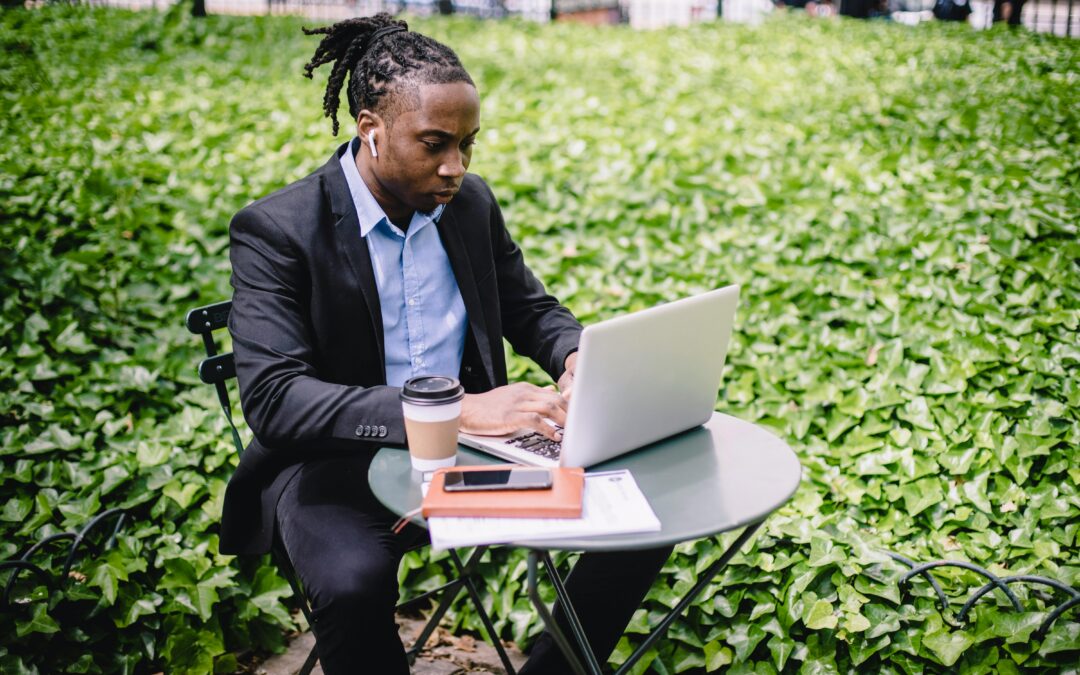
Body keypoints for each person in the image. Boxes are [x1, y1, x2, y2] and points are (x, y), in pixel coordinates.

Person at [220, 13, 672, 675]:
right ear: (370, 129)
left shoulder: (468, 205)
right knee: (351, 583)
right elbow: (276, 400)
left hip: (476, 457)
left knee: (643, 514)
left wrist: (577, 360)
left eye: (467, 144)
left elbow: (530, 307)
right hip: (335, 464)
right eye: (434, 143)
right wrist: (459, 412)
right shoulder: (278, 230)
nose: (454, 167)